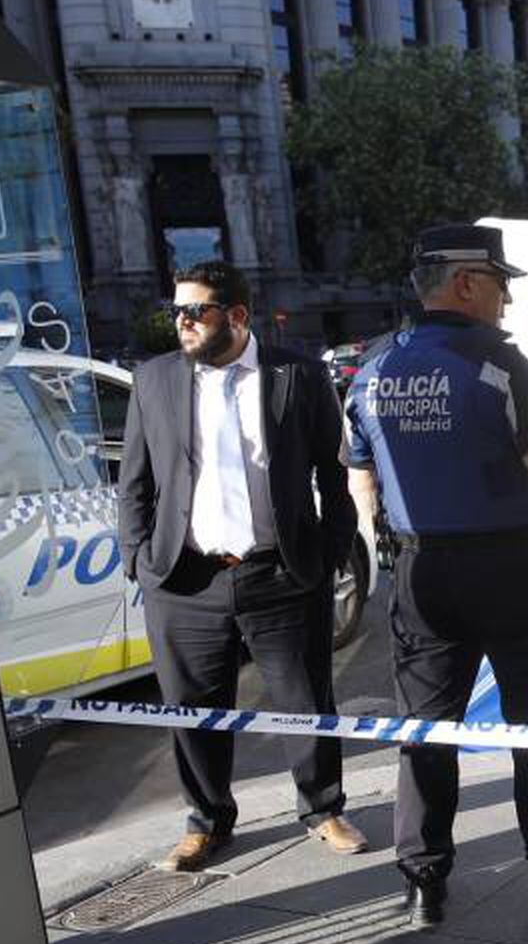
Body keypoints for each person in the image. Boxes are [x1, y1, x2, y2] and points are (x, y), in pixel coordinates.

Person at [344, 224, 528, 927]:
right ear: (467, 283)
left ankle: (423, 884)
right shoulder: (498, 366)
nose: (507, 300)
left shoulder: (374, 367)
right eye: (502, 283)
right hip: (507, 567)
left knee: (427, 729)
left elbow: (359, 470)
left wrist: (385, 547)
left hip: (418, 570)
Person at [117, 261, 369, 870]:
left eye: (194, 311)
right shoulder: (154, 380)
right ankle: (206, 821)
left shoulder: (297, 375)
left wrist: (330, 552)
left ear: (236, 316)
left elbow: (334, 477)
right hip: (185, 578)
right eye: (175, 310)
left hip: (279, 575)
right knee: (192, 709)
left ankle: (322, 808)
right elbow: (136, 482)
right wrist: (139, 560)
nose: (181, 322)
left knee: (306, 701)